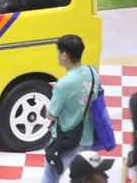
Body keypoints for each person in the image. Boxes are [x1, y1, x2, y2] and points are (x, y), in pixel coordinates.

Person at [43, 35, 102, 183]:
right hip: (88, 137)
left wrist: (46, 109)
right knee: (85, 178)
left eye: (58, 52)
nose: (57, 55)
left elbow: (51, 114)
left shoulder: (63, 84)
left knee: (50, 176)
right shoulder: (93, 72)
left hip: (68, 140)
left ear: (64, 55)